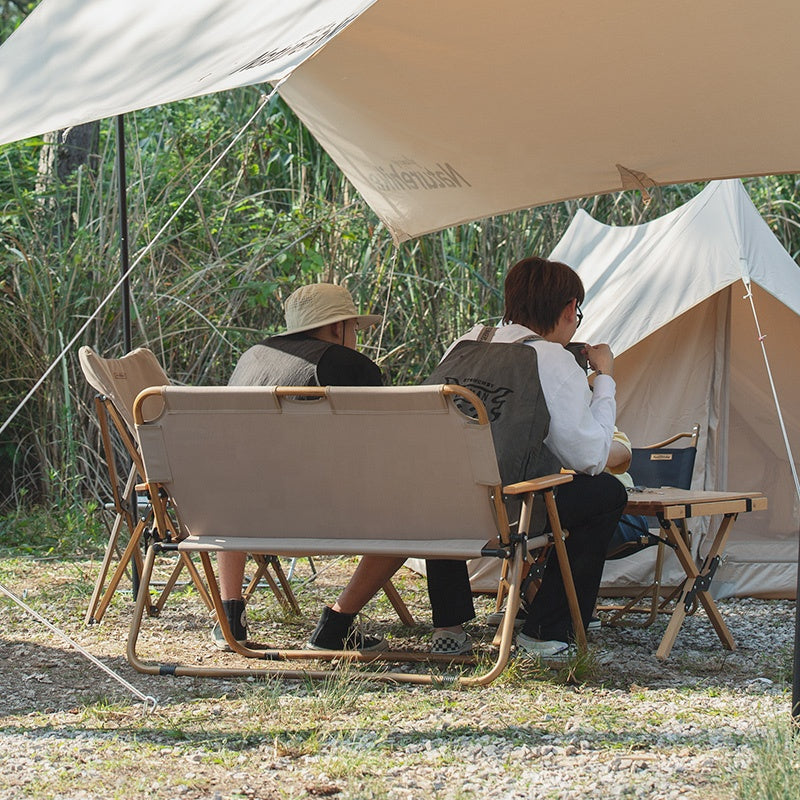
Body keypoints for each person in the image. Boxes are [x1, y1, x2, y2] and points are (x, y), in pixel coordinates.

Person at [427, 256, 628, 660]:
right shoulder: (550, 358)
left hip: (438, 505)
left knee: (447, 472)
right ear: (570, 309)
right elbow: (590, 456)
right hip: (509, 509)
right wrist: (603, 379)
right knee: (605, 493)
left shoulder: (465, 342)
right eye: (577, 313)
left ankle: (448, 626)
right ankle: (545, 628)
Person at [212, 282, 405, 652]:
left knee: (234, 480)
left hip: (238, 522)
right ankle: (337, 623)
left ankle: (229, 614)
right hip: (329, 519)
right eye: (355, 328)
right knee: (414, 518)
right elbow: (382, 449)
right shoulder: (351, 366)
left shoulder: (251, 357)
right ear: (337, 328)